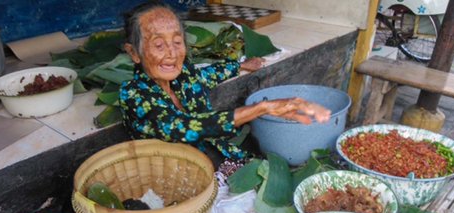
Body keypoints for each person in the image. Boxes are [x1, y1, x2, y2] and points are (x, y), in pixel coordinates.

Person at [119, 1, 331, 162]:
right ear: (134, 53)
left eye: (177, 41)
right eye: (158, 45)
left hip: (217, 156)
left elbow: (205, 76)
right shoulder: (134, 95)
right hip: (179, 178)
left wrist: (239, 66)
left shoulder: (184, 76)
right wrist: (261, 108)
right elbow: (184, 127)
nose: (172, 53)